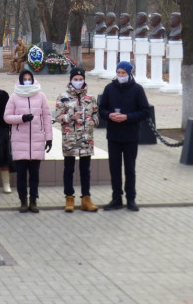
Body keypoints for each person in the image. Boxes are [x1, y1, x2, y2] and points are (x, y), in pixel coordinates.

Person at [99, 61, 151, 212]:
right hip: (113, 135)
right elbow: (101, 109)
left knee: (130, 169)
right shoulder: (109, 88)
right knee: (114, 169)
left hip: (130, 135)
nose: (120, 75)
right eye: (118, 72)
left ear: (129, 73)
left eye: (123, 73)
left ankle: (131, 199)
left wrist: (127, 117)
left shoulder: (137, 90)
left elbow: (145, 111)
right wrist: (109, 115)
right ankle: (116, 198)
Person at [4, 70, 52, 213]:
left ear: (32, 79)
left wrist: (49, 138)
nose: (26, 81)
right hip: (20, 141)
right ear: (20, 80)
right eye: (24, 78)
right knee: (21, 175)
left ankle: (34, 200)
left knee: (35, 174)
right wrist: (21, 118)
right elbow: (7, 117)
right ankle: (23, 201)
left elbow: (47, 117)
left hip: (37, 140)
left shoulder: (41, 96)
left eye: (29, 78)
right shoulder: (14, 96)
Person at [54, 67, 99, 213]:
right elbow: (57, 117)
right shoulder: (63, 96)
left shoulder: (90, 98)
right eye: (76, 79)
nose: (78, 82)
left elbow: (96, 116)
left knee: (85, 170)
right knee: (69, 169)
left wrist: (93, 121)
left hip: (86, 140)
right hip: (70, 140)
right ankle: (69, 198)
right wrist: (70, 118)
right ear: (70, 80)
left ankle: (86, 198)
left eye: (81, 80)